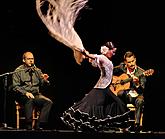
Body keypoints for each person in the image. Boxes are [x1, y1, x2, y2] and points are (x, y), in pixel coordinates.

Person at [61, 42, 130, 132]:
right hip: (100, 88)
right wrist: (85, 53)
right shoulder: (102, 57)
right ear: (107, 50)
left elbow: (94, 61)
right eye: (112, 51)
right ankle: (87, 125)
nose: (113, 53)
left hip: (105, 88)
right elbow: (94, 57)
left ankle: (122, 127)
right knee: (90, 105)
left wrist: (87, 56)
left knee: (117, 103)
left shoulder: (106, 60)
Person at [110, 51, 154, 132]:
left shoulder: (141, 72)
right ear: (125, 62)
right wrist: (114, 81)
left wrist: (137, 84)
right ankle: (121, 121)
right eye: (129, 62)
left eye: (133, 61)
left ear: (135, 60)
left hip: (136, 96)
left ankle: (137, 125)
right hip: (125, 94)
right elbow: (110, 71)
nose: (131, 64)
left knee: (140, 101)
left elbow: (142, 90)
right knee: (119, 93)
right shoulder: (121, 67)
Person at [12, 51, 53, 130]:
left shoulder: (37, 71)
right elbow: (15, 86)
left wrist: (45, 80)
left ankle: (39, 124)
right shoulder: (18, 71)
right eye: (29, 59)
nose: (31, 61)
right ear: (24, 60)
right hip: (22, 95)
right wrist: (26, 92)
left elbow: (42, 84)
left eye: (32, 59)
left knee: (48, 102)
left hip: (35, 94)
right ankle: (29, 125)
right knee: (29, 100)